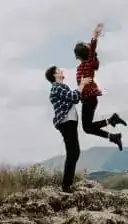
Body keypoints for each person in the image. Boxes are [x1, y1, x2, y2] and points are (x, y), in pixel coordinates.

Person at [74, 22, 127, 150]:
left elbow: (92, 49)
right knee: (87, 128)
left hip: (90, 99)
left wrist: (95, 36)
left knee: (87, 128)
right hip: (87, 100)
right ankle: (113, 132)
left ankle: (113, 127)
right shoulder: (82, 67)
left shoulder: (88, 64)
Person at [45, 65, 90, 193]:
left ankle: (67, 184)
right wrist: (81, 85)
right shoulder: (57, 88)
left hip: (69, 122)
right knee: (73, 152)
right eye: (59, 70)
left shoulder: (61, 87)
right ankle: (66, 185)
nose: (62, 71)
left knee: (73, 152)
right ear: (54, 75)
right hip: (66, 122)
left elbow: (74, 98)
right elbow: (73, 97)